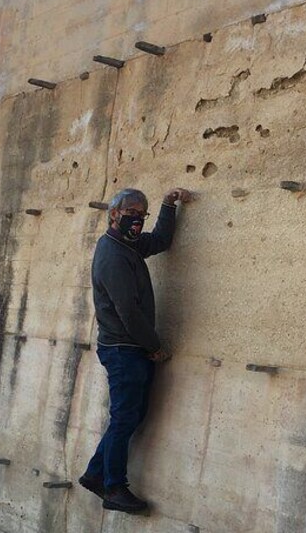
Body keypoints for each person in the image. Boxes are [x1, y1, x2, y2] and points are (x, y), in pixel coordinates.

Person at [79, 187, 193, 513]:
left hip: (129, 348)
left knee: (130, 416)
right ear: (114, 214)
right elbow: (128, 312)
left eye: (142, 214)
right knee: (124, 418)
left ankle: (96, 474)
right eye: (131, 211)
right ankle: (113, 487)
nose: (137, 219)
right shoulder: (113, 255)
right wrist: (154, 347)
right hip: (123, 350)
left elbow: (159, 241)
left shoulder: (127, 244)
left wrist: (168, 206)